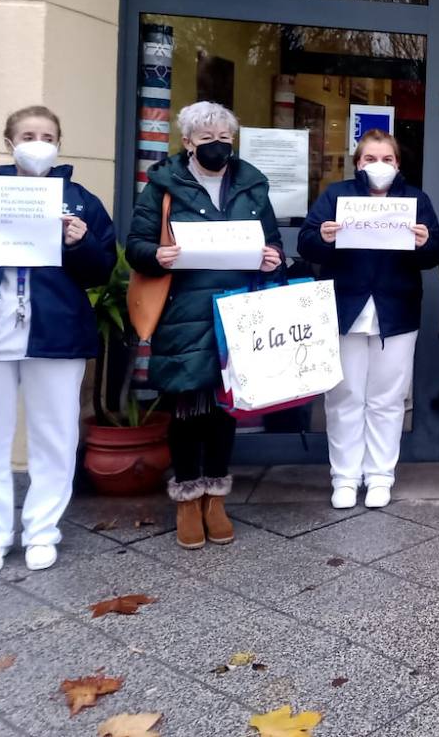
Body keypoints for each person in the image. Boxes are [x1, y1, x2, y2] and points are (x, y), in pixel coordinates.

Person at [0, 106, 115, 577]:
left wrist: (82, 243)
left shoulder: (81, 201)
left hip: (55, 334)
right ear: (9, 142)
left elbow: (102, 270)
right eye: (28, 134)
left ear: (58, 144)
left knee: (55, 437)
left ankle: (43, 530)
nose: (38, 142)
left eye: (47, 135)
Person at [126, 102, 283, 549]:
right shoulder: (164, 185)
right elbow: (136, 244)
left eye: (224, 138)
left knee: (223, 410)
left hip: (237, 310)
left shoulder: (251, 183)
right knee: (187, 408)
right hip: (183, 311)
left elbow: (270, 241)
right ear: (188, 142)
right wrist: (156, 255)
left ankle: (216, 497)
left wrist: (274, 258)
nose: (217, 146)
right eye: (207, 138)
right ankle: (187, 497)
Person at [299, 129, 439, 510]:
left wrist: (424, 242)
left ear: (398, 164)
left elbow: (434, 256)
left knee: (388, 399)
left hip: (396, 311)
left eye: (387, 159)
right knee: (344, 396)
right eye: (370, 159)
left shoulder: (414, 198)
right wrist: (324, 237)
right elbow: (306, 242)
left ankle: (380, 475)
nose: (379, 166)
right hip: (345, 308)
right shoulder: (336, 195)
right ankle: (344, 476)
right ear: (358, 163)